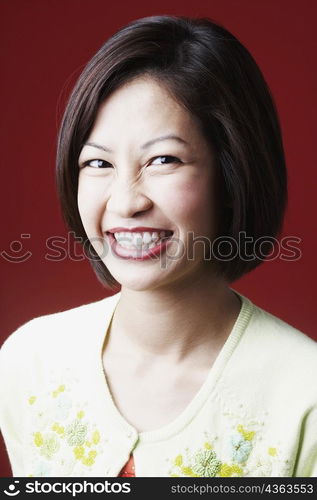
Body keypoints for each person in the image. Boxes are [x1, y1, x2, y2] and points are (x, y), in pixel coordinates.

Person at [0, 15, 316, 478]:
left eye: (163, 160)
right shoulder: (29, 361)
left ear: (232, 174)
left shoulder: (304, 394)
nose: (126, 201)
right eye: (98, 162)